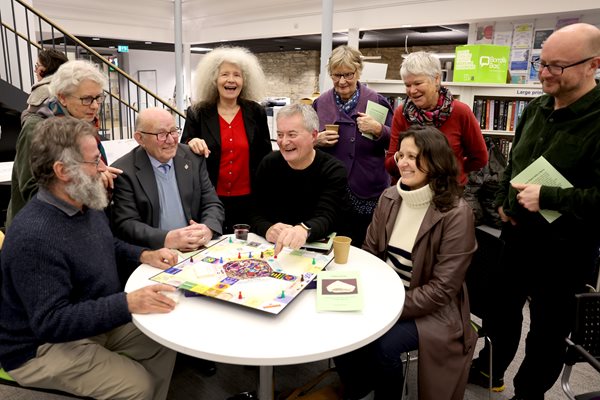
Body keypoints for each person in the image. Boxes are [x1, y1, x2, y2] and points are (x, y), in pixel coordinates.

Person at [0, 116, 179, 400]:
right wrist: (127, 303)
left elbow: (108, 244)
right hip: (39, 346)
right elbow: (51, 321)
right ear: (62, 170)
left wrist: (144, 254)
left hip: (93, 320)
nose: (103, 169)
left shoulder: (84, 202)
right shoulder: (34, 236)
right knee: (137, 386)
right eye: (95, 161)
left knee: (166, 339)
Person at [469, 23, 600, 400]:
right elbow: (515, 164)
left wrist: (550, 197)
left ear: (593, 65)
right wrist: (502, 202)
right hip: (516, 237)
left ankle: (528, 394)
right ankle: (490, 369)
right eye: (542, 63)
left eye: (557, 67)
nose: (544, 73)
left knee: (546, 331)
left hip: (566, 250)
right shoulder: (537, 108)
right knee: (500, 313)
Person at [334, 125, 477, 400]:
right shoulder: (389, 197)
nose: (403, 162)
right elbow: (370, 253)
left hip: (431, 310)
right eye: (400, 155)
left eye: (413, 156)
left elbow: (442, 290)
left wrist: (387, 308)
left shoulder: (456, 214)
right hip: (384, 296)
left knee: (383, 346)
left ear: (435, 161)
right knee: (339, 323)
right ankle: (359, 385)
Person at [6, 59, 121, 227]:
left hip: (76, 220)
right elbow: (30, 190)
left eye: (98, 97)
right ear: (62, 97)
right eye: (87, 99)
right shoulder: (37, 128)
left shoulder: (83, 123)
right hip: (41, 228)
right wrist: (92, 180)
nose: (95, 106)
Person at [181, 46, 272, 234]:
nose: (231, 80)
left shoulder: (256, 113)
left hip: (249, 201)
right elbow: (182, 150)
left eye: (237, 75)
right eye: (225, 74)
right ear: (214, 79)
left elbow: (266, 155)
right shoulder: (197, 113)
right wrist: (191, 143)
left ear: (244, 80)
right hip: (210, 201)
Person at [111, 107, 225, 252]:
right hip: (155, 254)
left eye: (173, 131)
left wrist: (207, 229)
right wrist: (167, 238)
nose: (171, 140)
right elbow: (126, 223)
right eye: (162, 134)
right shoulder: (124, 171)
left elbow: (212, 203)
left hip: (196, 250)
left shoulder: (193, 158)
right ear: (140, 138)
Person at [313, 45, 393, 246]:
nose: (342, 81)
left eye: (348, 74)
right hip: (331, 188)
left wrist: (378, 130)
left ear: (358, 71)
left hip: (367, 188)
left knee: (365, 245)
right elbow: (305, 140)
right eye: (336, 75)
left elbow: (398, 143)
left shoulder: (376, 101)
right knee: (330, 245)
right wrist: (316, 140)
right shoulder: (320, 104)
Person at [251, 103, 349, 255]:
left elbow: (327, 216)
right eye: (280, 134)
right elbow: (255, 213)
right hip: (274, 252)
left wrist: (303, 230)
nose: (284, 142)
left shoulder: (333, 170)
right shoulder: (268, 164)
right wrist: (267, 229)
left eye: (292, 134)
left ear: (314, 135)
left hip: (316, 254)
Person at [385, 51, 488, 187]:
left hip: (448, 192)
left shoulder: (460, 112)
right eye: (408, 85)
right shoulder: (402, 114)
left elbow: (480, 158)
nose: (412, 91)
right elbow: (390, 165)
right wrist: (404, 158)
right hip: (411, 192)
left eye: (418, 83)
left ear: (437, 79)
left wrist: (452, 170)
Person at [21, 48, 68, 123]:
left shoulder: (42, 89)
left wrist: (24, 114)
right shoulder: (71, 87)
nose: (35, 70)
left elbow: (28, 121)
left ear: (47, 68)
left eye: (37, 66)